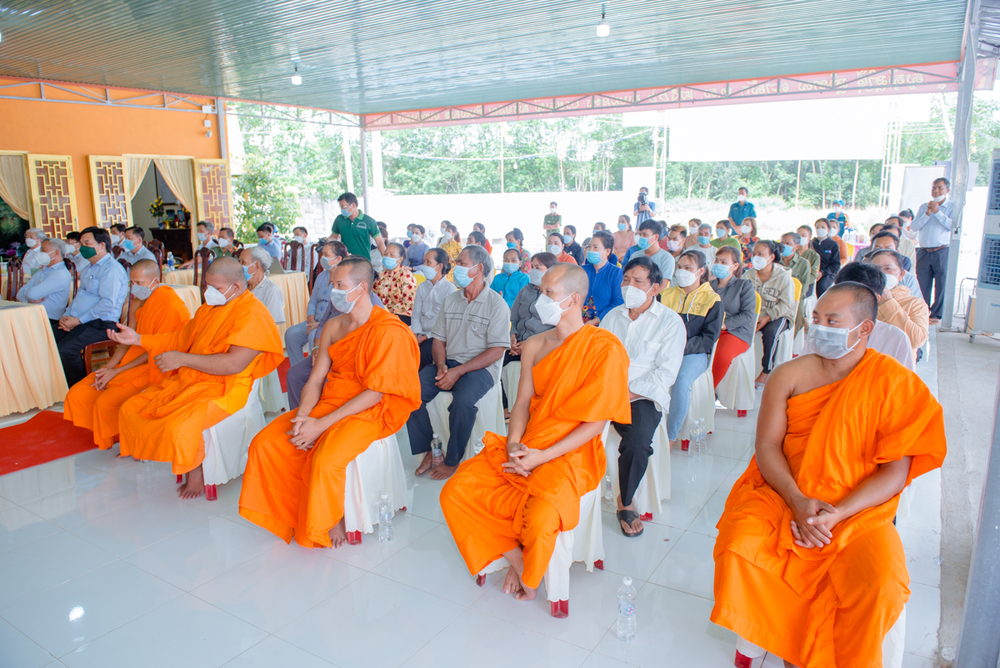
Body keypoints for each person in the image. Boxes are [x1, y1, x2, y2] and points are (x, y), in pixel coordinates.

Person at [711, 282, 946, 668]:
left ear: (865, 329)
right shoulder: (788, 374)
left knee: (881, 584)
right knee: (739, 545)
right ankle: (789, 647)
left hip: (859, 508)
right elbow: (768, 447)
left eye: (833, 321)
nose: (819, 327)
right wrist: (799, 502)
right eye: (816, 318)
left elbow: (894, 473)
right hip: (786, 492)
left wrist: (838, 513)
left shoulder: (893, 382)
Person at [440, 264, 631, 603]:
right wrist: (514, 443)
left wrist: (543, 456)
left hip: (572, 451)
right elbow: (523, 404)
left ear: (573, 300)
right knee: (456, 490)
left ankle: (529, 572)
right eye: (541, 291)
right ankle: (517, 557)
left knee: (542, 515)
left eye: (548, 294)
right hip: (530, 442)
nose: (538, 300)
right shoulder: (534, 344)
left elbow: (596, 424)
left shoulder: (604, 347)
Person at [238, 258, 420, 548]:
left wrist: (320, 426)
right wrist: (304, 417)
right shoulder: (334, 326)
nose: (332, 291)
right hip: (329, 401)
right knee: (266, 442)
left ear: (362, 288)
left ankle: (329, 519)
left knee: (325, 458)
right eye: (331, 284)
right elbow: (315, 379)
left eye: (339, 286)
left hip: (369, 411)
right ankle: (289, 511)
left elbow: (375, 393)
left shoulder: (388, 330)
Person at [107, 257, 283, 497]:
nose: (209, 292)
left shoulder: (252, 314)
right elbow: (180, 338)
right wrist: (137, 339)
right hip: (191, 378)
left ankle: (196, 472)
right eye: (207, 286)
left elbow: (234, 363)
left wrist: (183, 359)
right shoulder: (208, 308)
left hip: (227, 386)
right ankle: (149, 451)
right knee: (131, 407)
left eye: (216, 288)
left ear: (237, 287)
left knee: (180, 426)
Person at [407, 245, 510, 480]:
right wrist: (442, 365)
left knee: (463, 401)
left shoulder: (496, 305)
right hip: (450, 362)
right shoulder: (451, 299)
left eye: (462, 264)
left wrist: (459, 372)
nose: (456, 268)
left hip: (480, 368)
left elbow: (496, 350)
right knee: (412, 391)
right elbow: (439, 339)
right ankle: (427, 451)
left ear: (479, 268)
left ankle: (452, 459)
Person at [63, 260, 190, 449]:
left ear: (155, 280)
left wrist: (118, 371)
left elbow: (161, 348)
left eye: (139, 283)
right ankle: (110, 432)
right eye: (132, 283)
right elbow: (126, 340)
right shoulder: (137, 302)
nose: (135, 288)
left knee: (105, 402)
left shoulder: (170, 303)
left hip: (154, 363)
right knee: (79, 392)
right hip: (131, 360)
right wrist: (108, 368)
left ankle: (125, 439)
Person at [601, 256, 685, 536]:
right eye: (626, 280)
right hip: (606, 391)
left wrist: (626, 393)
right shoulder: (613, 317)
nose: (629, 286)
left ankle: (625, 501)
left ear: (655, 288)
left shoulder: (670, 323)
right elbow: (599, 359)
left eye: (638, 281)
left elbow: (666, 374)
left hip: (642, 397)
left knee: (636, 443)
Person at [660, 251, 724, 446]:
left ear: (701, 271)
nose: (682, 272)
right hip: (665, 348)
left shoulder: (712, 300)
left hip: (694, 354)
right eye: (680, 267)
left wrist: (680, 347)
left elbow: (709, 339)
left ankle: (670, 437)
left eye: (688, 268)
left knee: (680, 382)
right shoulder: (666, 294)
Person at [53, 227, 129, 387]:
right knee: (49, 338)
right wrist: (67, 317)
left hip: (102, 323)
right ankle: (60, 385)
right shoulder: (88, 268)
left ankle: (80, 386)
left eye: (87, 243)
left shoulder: (111, 269)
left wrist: (78, 321)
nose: (82, 248)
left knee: (65, 349)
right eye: (81, 244)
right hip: (81, 320)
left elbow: (108, 304)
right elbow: (79, 296)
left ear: (101, 245)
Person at [817, 263, 915, 370]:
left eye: (857, 297)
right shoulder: (822, 332)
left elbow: (903, 383)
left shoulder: (896, 339)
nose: (846, 302)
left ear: (876, 299)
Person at [506, 252, 559, 411]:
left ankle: (524, 408)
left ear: (550, 270)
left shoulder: (555, 294)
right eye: (532, 266)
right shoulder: (525, 290)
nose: (533, 270)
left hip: (541, 346)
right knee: (499, 360)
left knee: (523, 367)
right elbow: (513, 318)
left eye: (538, 267)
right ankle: (508, 406)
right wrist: (512, 337)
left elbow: (555, 328)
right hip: (519, 342)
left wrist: (530, 345)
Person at [285, 240, 348, 361]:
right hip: (315, 321)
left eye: (326, 255)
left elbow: (342, 310)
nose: (322, 258)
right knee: (291, 334)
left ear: (338, 258)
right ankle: (298, 371)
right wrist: (311, 320)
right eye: (322, 254)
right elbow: (313, 301)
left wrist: (319, 325)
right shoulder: (321, 276)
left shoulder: (345, 279)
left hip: (331, 324)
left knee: (314, 336)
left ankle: (313, 373)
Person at [746, 241, 796, 388]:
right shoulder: (748, 275)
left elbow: (786, 304)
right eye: (754, 254)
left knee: (771, 332)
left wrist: (767, 317)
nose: (756, 257)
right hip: (755, 314)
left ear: (771, 257)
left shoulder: (783, 277)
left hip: (779, 315)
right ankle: (743, 370)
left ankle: (767, 370)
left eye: (760, 254)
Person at [867, 250, 930, 356]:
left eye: (888, 268)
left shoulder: (915, 304)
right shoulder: (863, 301)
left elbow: (916, 340)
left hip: (897, 369)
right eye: (876, 270)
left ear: (902, 274)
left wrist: (888, 302)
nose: (882, 274)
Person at [710, 246, 757, 387]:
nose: (718, 264)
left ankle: (709, 391)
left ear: (735, 266)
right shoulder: (708, 285)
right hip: (712, 329)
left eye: (724, 262)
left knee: (722, 354)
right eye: (716, 260)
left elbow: (748, 314)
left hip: (735, 331)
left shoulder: (744, 285)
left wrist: (725, 324)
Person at [411, 248, 456, 369]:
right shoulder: (422, 287)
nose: (424, 265)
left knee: (423, 352)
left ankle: (418, 382)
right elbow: (416, 314)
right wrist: (415, 334)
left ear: (439, 266)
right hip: (419, 330)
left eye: (428, 262)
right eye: (424, 261)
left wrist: (425, 337)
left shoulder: (450, 290)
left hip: (437, 335)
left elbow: (447, 323)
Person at [16, 238, 72, 322]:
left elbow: (32, 294)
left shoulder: (60, 273)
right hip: (32, 315)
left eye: (43, 250)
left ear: (56, 253)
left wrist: (27, 295)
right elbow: (19, 294)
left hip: (48, 319)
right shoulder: (41, 272)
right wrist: (28, 301)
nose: (40, 253)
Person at [582, 231, 624, 326]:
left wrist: (596, 320)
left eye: (595, 247)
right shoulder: (582, 270)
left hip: (604, 322)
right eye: (589, 247)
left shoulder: (616, 273)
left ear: (607, 251)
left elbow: (618, 302)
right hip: (579, 322)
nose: (591, 250)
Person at [330, 191, 387, 260]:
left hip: (363, 261)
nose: (342, 209)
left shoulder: (369, 221)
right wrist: (325, 240)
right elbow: (334, 236)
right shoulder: (339, 219)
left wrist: (385, 259)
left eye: (344, 206)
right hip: (345, 260)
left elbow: (379, 242)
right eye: (340, 207)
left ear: (353, 205)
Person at [373, 242, 417, 325]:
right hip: (381, 314)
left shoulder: (406, 276)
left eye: (391, 255)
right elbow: (373, 296)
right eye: (385, 254)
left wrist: (387, 312)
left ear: (400, 259)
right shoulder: (380, 275)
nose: (387, 257)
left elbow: (408, 303)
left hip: (401, 315)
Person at [240, 246, 286, 327]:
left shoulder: (271, 290)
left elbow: (271, 324)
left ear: (256, 266)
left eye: (243, 263)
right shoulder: (240, 287)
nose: (239, 266)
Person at [779, 232, 813, 336]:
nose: (784, 246)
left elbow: (803, 288)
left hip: (795, 299)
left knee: (796, 316)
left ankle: (792, 339)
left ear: (796, 246)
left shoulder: (803, 263)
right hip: (776, 298)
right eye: (782, 243)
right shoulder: (775, 261)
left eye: (788, 243)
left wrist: (790, 300)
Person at [811, 218, 841, 297]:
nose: (820, 229)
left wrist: (822, 273)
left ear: (828, 229)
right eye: (817, 227)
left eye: (823, 227)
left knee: (822, 286)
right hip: (812, 272)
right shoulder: (811, 243)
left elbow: (835, 265)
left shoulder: (833, 244)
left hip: (827, 274)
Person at [795, 224, 822, 295]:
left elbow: (813, 275)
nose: (800, 238)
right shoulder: (792, 252)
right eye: (798, 235)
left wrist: (801, 283)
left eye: (803, 235)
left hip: (806, 285)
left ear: (809, 237)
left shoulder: (814, 256)